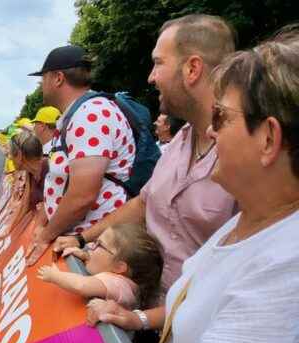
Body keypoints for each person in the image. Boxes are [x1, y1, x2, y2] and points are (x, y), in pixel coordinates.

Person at [55, 27, 299, 343]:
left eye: (222, 117)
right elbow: (202, 302)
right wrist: (140, 320)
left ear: (269, 138)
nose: (212, 131)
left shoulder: (288, 261)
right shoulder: (246, 223)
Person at [53, 15, 238, 296]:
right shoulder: (181, 140)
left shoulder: (246, 154)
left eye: (159, 63)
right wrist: (81, 239)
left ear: (193, 69)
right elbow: (143, 203)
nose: (151, 76)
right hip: (148, 306)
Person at [26, 45, 137, 266]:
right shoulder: (79, 113)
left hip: (91, 248)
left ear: (58, 78)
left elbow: (82, 195)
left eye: (43, 78)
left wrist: (46, 235)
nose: (41, 85)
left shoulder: (90, 115)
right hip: (79, 243)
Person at [37, 223, 162, 310]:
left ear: (119, 267)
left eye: (99, 245)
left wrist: (55, 276)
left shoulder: (117, 284)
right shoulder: (118, 274)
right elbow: (101, 267)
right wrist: (85, 256)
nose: (90, 246)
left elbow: (81, 286)